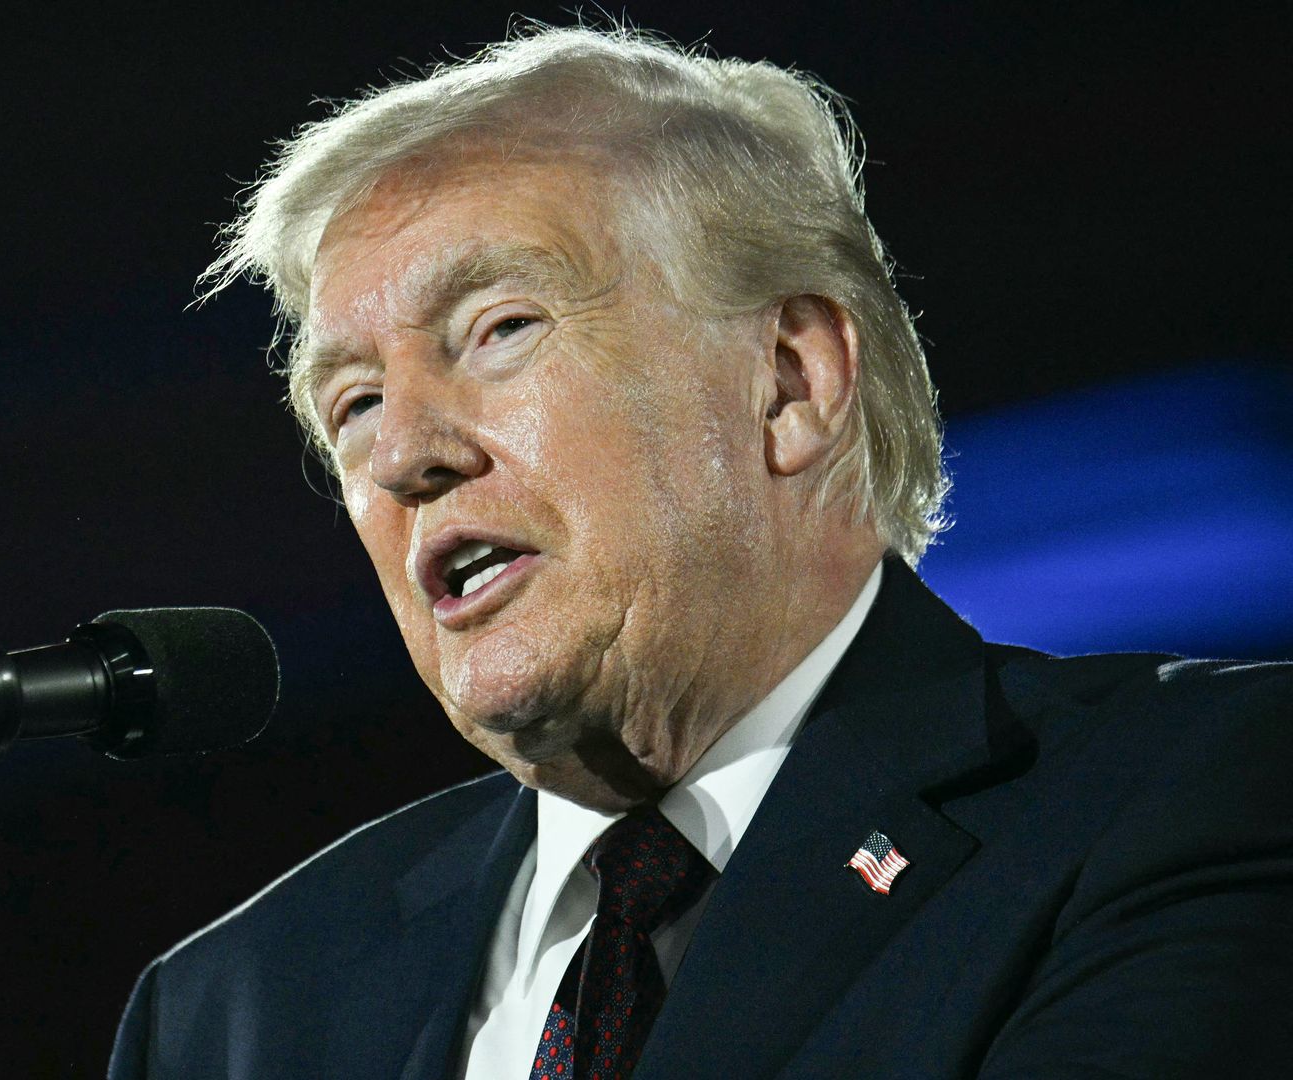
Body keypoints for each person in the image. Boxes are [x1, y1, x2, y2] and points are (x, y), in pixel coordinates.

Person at [110, 26, 1292, 1079]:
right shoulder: (232, 1009)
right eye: (353, 402)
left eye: (501, 328)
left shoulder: (1191, 794)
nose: (403, 453)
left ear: (790, 380)